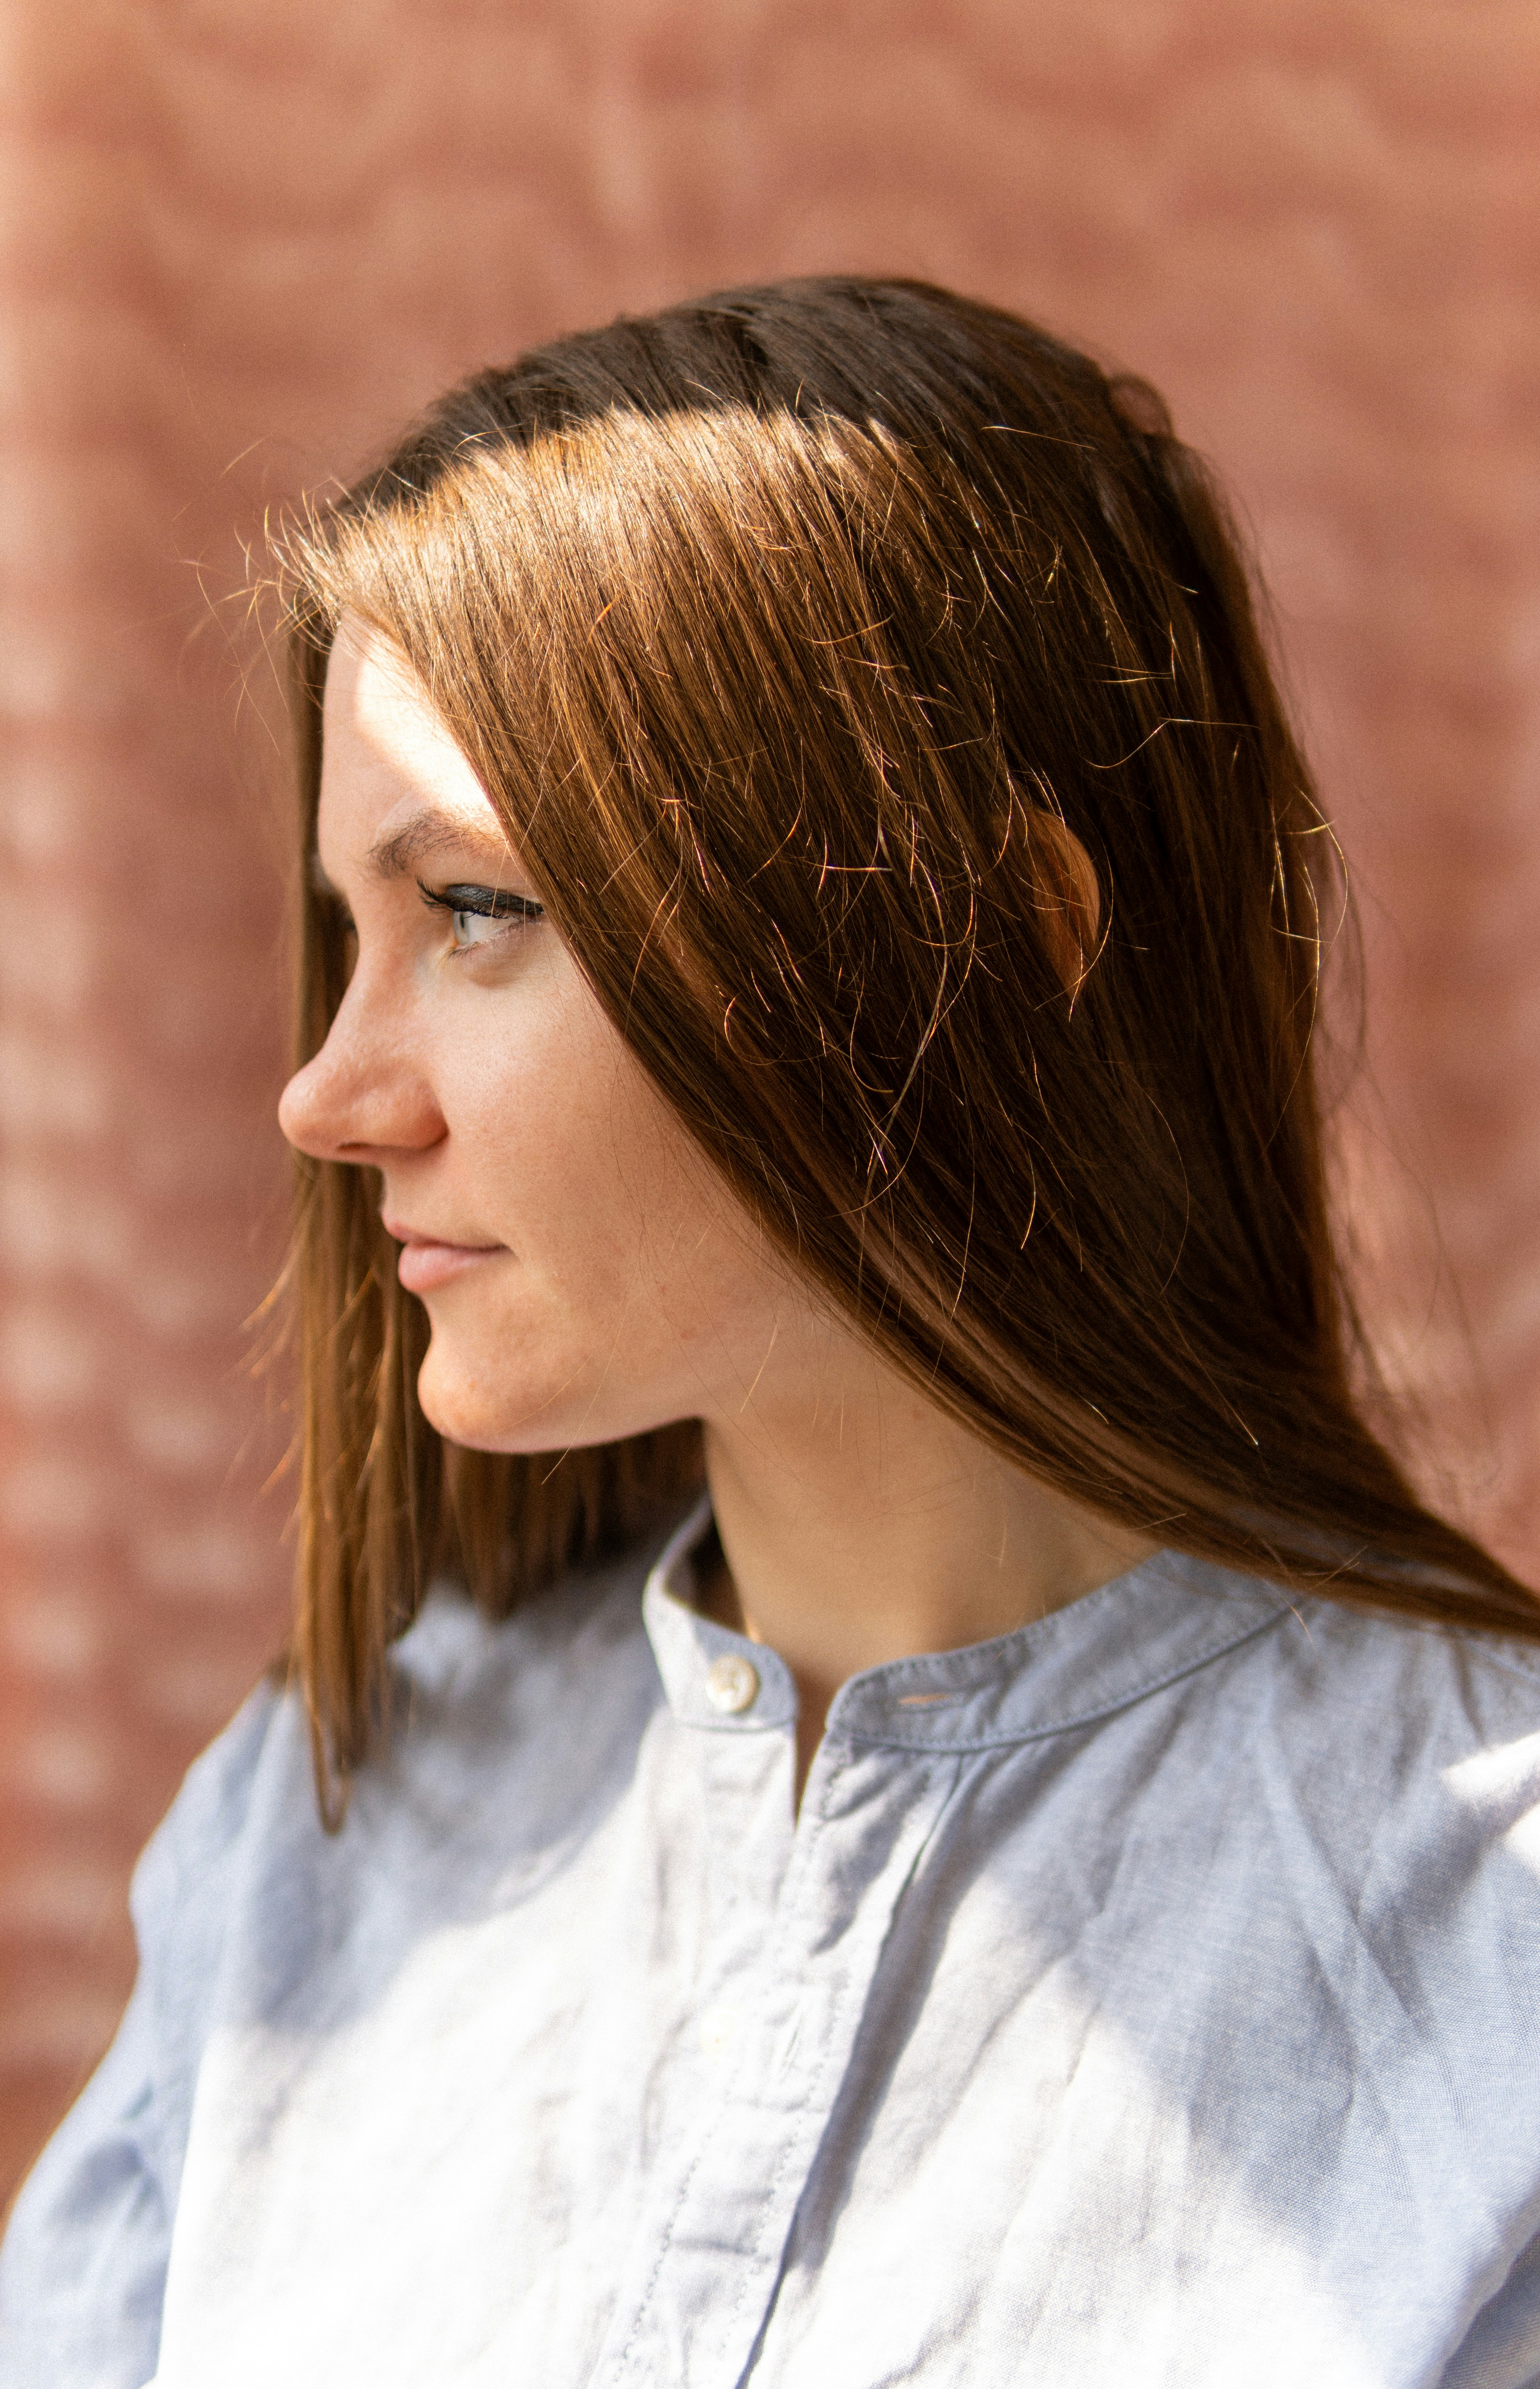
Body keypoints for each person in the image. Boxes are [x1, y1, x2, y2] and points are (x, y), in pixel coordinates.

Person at [2, 276, 1538, 2388]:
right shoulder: (324, 1821)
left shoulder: (1495, 1937)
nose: (329, 1097)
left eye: (474, 909)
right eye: (352, 930)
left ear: (1002, 933)